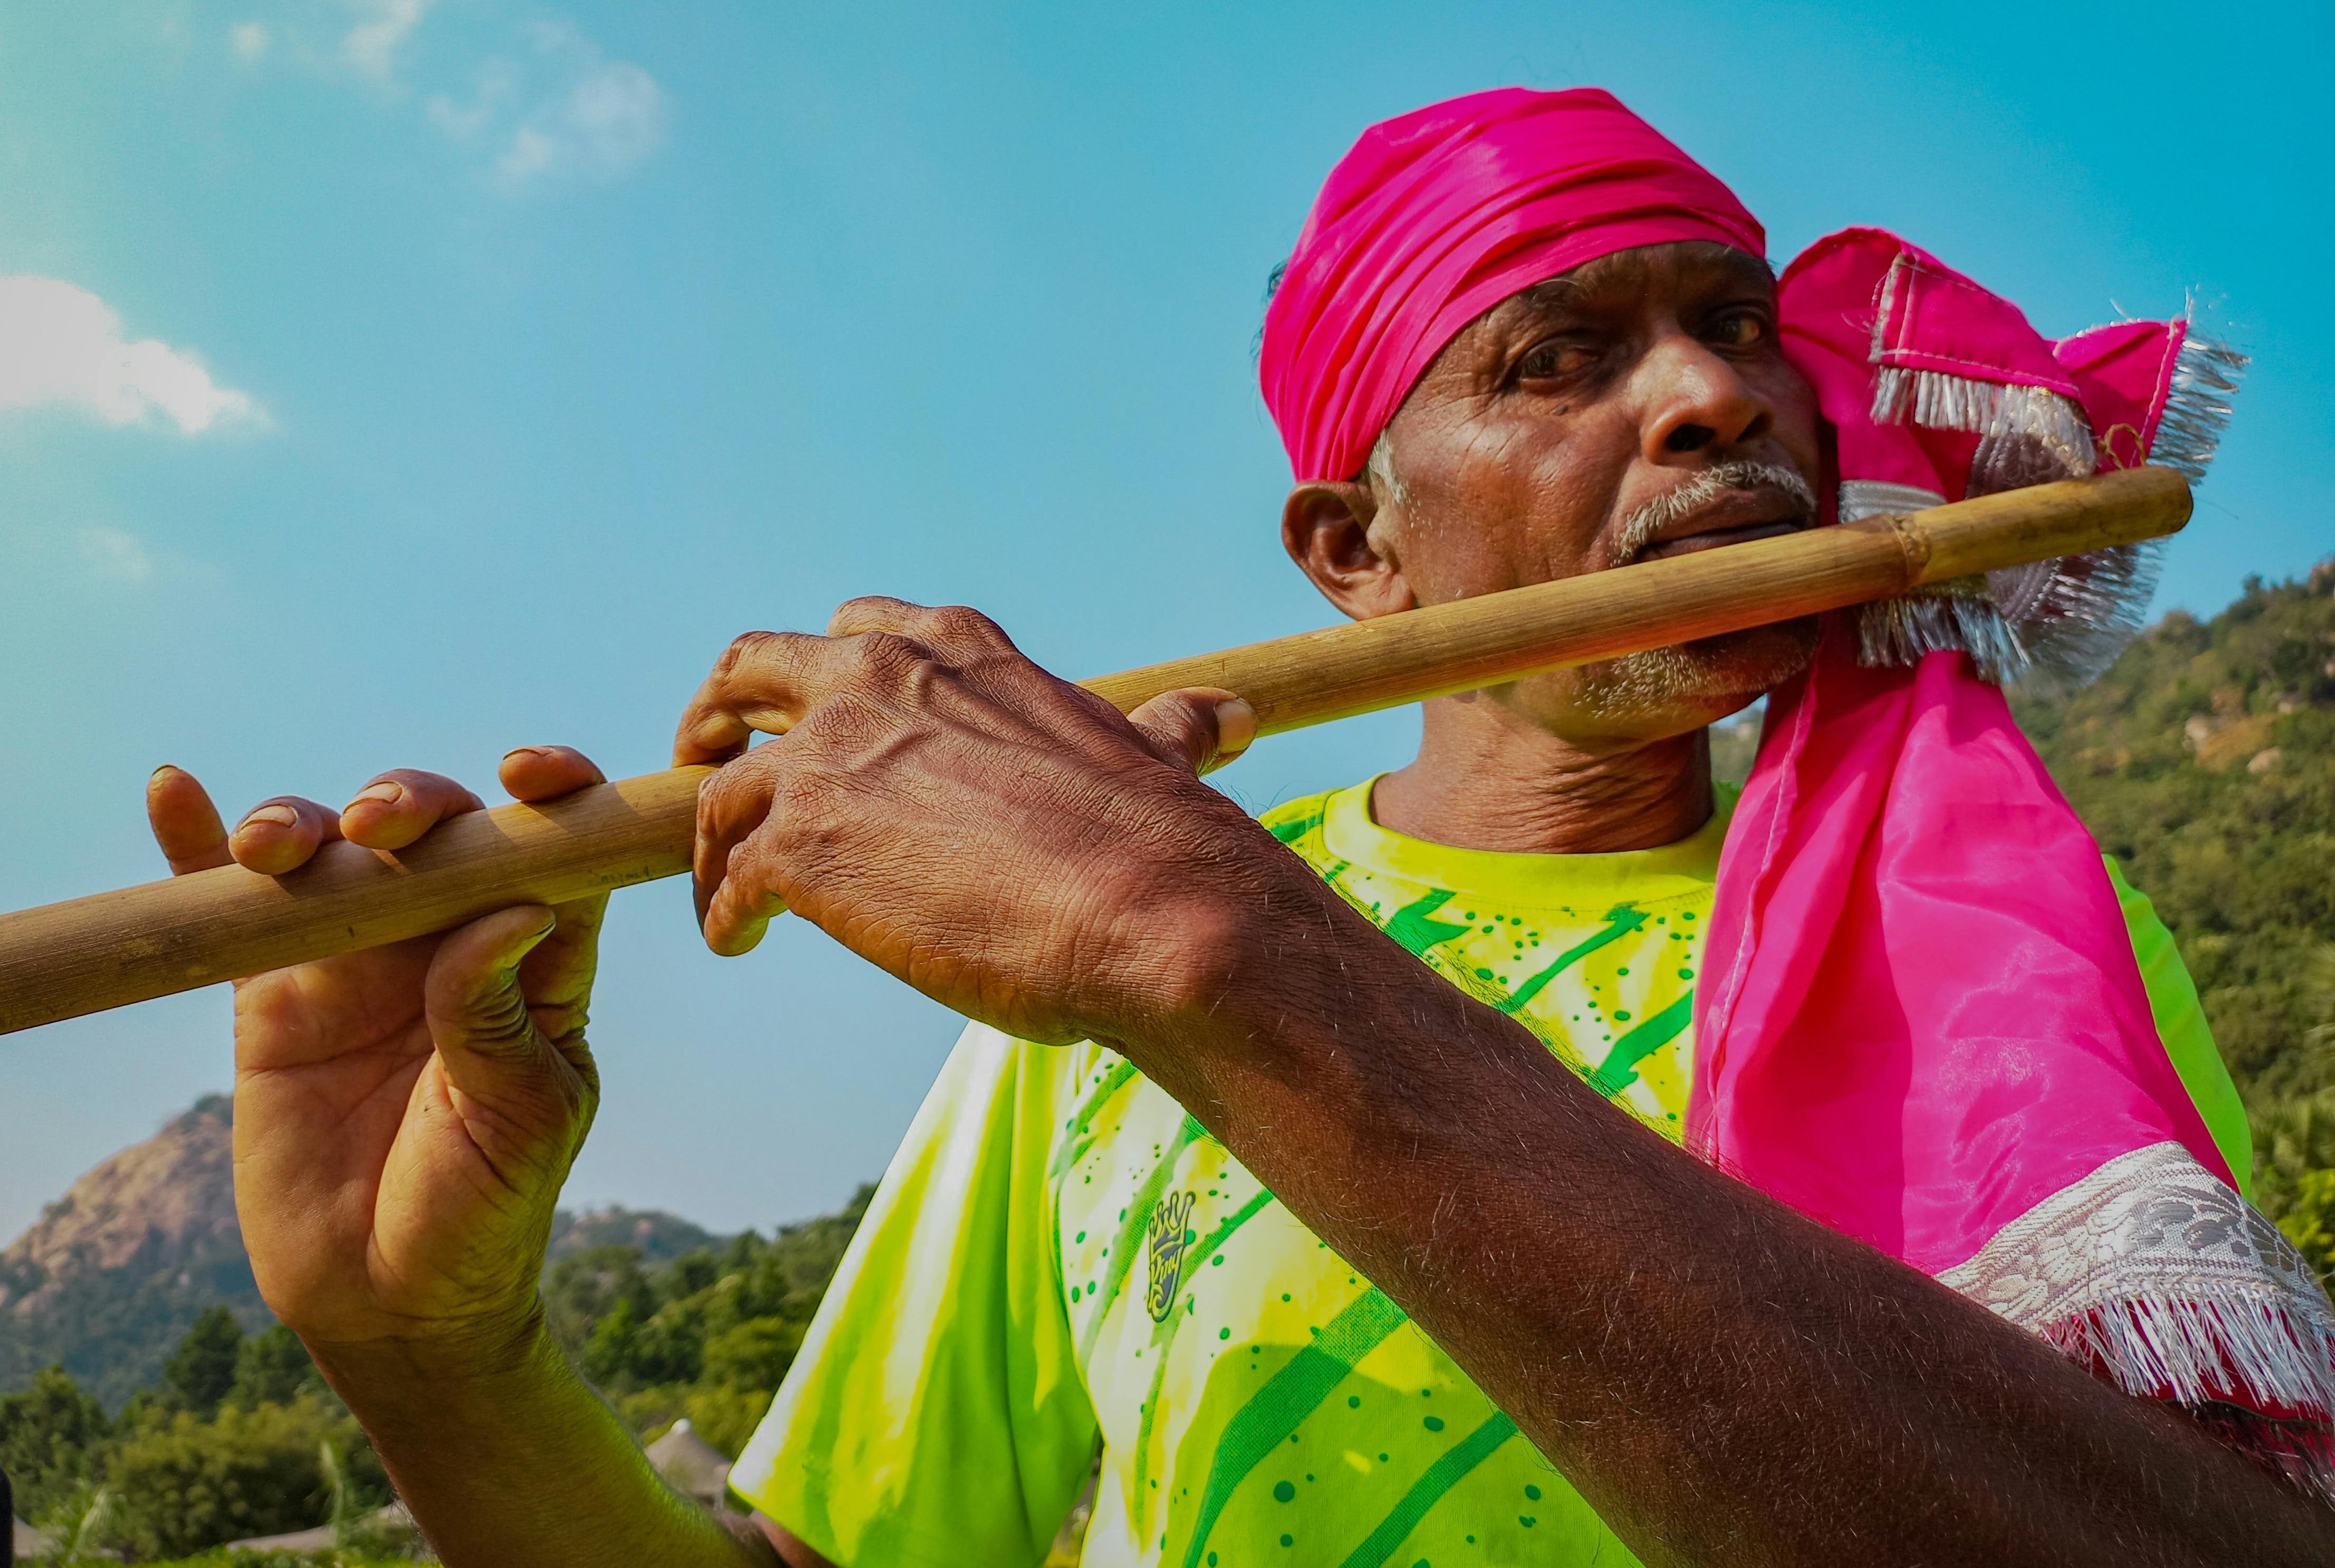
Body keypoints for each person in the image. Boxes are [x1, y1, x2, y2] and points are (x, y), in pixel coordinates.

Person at [147, 89, 2335, 1566]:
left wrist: (1204, 947)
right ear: (1350, 556)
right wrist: (438, 1364)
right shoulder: (1075, 1008)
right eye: (1558, 358)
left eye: (1734, 329)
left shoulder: (2010, 953)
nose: (1715, 399)